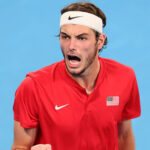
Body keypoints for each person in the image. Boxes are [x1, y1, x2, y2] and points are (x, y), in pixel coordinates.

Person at [12, 2, 141, 150]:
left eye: (81, 38)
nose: (71, 46)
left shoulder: (124, 77)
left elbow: (124, 135)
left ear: (99, 41)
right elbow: (20, 146)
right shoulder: (33, 86)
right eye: (65, 37)